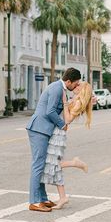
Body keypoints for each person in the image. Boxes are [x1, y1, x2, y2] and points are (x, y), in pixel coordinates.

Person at [26, 67, 81, 212]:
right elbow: (50, 111)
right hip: (39, 129)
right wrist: (62, 124)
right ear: (68, 81)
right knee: (38, 165)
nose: (76, 86)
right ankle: (34, 201)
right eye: (75, 83)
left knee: (41, 164)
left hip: (43, 129)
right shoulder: (57, 88)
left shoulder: (60, 89)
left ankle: (42, 198)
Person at [41, 82, 92, 210]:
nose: (75, 86)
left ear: (82, 89)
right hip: (57, 131)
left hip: (59, 134)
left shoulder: (79, 102)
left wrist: (64, 102)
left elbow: (68, 120)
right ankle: (63, 197)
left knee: (54, 164)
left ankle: (75, 163)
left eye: (78, 85)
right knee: (55, 166)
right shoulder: (75, 99)